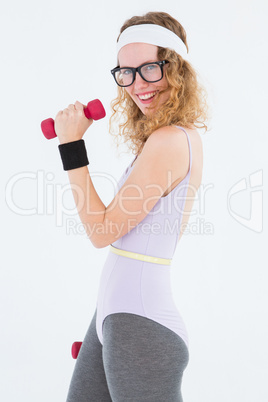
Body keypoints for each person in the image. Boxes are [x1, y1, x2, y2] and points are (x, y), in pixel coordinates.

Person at [55, 11, 209, 402]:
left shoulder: (172, 140)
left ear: (175, 70)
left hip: (141, 328)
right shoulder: (162, 138)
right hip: (113, 318)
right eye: (125, 72)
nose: (137, 84)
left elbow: (101, 231)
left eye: (150, 69)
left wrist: (71, 147)